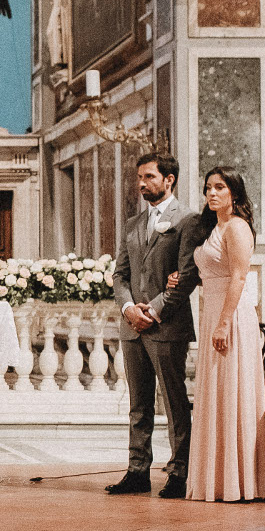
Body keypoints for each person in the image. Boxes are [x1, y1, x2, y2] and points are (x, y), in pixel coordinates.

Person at [110, 152, 202, 499]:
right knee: (138, 403)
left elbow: (188, 274)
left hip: (167, 326)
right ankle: (137, 471)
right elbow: (120, 274)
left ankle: (179, 471)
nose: (141, 183)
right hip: (133, 326)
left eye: (149, 177)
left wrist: (156, 308)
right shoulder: (134, 224)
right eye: (140, 178)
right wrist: (130, 308)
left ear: (169, 180)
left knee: (174, 401)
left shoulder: (188, 220)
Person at [188, 167, 265, 503]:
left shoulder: (237, 227)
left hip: (231, 318)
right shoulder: (215, 227)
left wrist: (223, 323)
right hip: (213, 313)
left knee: (232, 392)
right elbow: (211, 272)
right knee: (215, 394)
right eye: (208, 187)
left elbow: (238, 278)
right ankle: (217, 480)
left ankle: (240, 481)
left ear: (234, 192)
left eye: (220, 187)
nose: (212, 193)